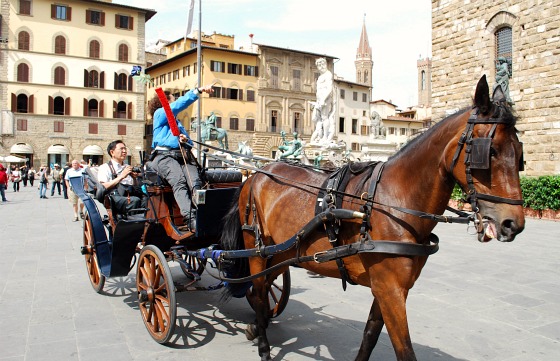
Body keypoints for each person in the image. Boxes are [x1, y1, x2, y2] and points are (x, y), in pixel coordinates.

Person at [148, 84, 214, 231]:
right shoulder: (160, 114)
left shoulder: (177, 124)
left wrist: (185, 140)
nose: (176, 101)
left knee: (196, 182)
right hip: (164, 157)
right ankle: (190, 219)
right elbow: (175, 107)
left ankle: (203, 214)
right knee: (179, 181)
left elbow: (188, 143)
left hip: (182, 155)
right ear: (165, 102)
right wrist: (197, 91)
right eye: (173, 100)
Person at [97, 140, 146, 217]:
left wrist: (134, 178)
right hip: (115, 197)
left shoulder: (127, 166)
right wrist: (121, 176)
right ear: (112, 152)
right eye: (121, 149)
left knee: (149, 200)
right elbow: (104, 186)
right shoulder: (105, 167)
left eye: (125, 149)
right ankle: (133, 225)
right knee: (135, 200)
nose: (124, 151)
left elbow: (135, 187)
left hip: (130, 194)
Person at [309, 57, 335, 144]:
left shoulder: (328, 74)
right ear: (317, 67)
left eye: (323, 64)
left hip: (326, 99)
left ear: (326, 64)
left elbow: (329, 88)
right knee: (315, 118)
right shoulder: (320, 77)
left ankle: (325, 137)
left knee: (324, 117)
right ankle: (321, 135)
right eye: (319, 65)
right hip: (319, 100)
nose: (322, 66)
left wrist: (324, 99)